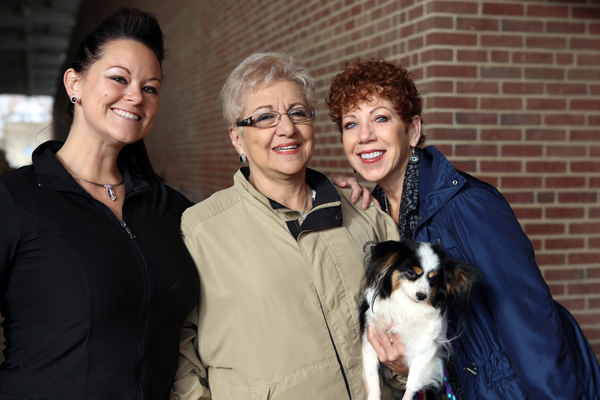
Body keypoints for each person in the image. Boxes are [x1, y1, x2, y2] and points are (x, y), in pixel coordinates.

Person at [327, 58, 600, 400]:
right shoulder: (376, 216)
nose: (364, 136)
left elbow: (531, 325)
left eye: (380, 118)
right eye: (351, 124)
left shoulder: (469, 204)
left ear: (413, 130)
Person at [171, 52, 401, 399]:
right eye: (265, 117)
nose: (287, 128)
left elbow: (403, 322)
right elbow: (179, 351)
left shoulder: (364, 214)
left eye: (298, 113)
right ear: (236, 137)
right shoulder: (201, 231)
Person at [0, 9, 199, 399]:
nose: (136, 96)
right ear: (75, 83)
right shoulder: (15, 200)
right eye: (118, 79)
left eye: (150, 88)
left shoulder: (171, 209)